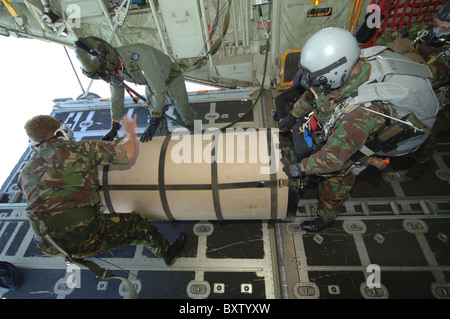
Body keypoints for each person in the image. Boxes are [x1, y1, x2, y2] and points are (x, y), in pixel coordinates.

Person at [278, 27, 437, 232]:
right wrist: (293, 115)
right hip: (348, 128)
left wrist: (299, 168)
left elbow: (332, 159)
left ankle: (325, 218)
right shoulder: (346, 69)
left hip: (359, 143)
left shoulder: (361, 116)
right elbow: (314, 94)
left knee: (336, 180)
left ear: (336, 73)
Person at [18, 114, 185, 265]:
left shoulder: (24, 172)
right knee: (137, 224)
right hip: (85, 238)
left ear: (35, 143)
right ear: (62, 131)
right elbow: (128, 155)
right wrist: (131, 133)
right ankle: (166, 252)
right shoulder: (81, 148)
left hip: (47, 245)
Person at [372, 1, 450, 181]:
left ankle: (420, 165)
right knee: (386, 131)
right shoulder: (423, 29)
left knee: (425, 136)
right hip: (405, 88)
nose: (436, 30)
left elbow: (429, 77)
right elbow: (392, 36)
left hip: (437, 102)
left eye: (444, 28)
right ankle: (382, 159)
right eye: (436, 24)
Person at [75, 36, 197, 142]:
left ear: (107, 59)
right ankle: (163, 142)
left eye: (105, 71)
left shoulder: (139, 54)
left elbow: (159, 90)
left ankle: (200, 133)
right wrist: (114, 126)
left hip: (172, 79)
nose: (107, 74)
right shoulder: (113, 69)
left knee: (184, 112)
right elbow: (116, 97)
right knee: (157, 119)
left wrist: (154, 120)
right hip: (151, 84)